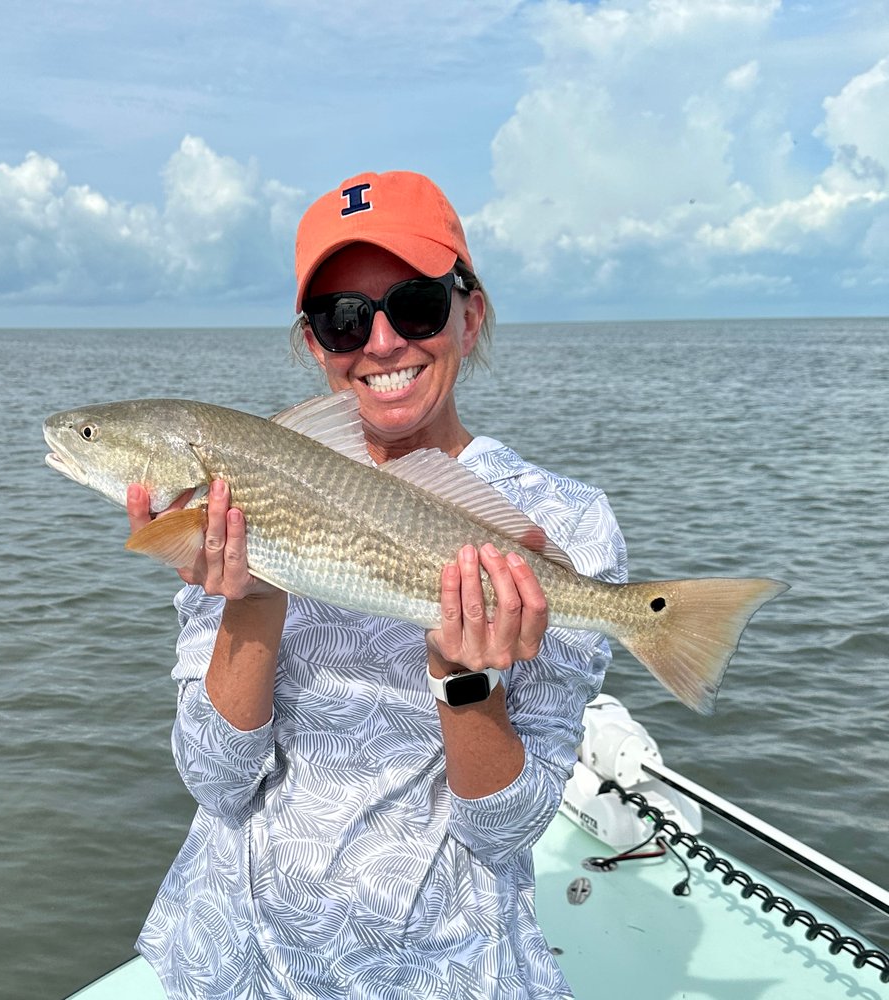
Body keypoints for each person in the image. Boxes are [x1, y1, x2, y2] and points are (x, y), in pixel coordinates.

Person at [126, 170, 627, 999]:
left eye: (417, 305)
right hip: (229, 959)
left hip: (431, 971)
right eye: (344, 319)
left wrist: (468, 684)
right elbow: (216, 782)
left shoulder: (562, 524)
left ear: (470, 314)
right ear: (315, 345)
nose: (384, 342)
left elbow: (507, 831)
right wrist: (251, 601)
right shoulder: (229, 497)